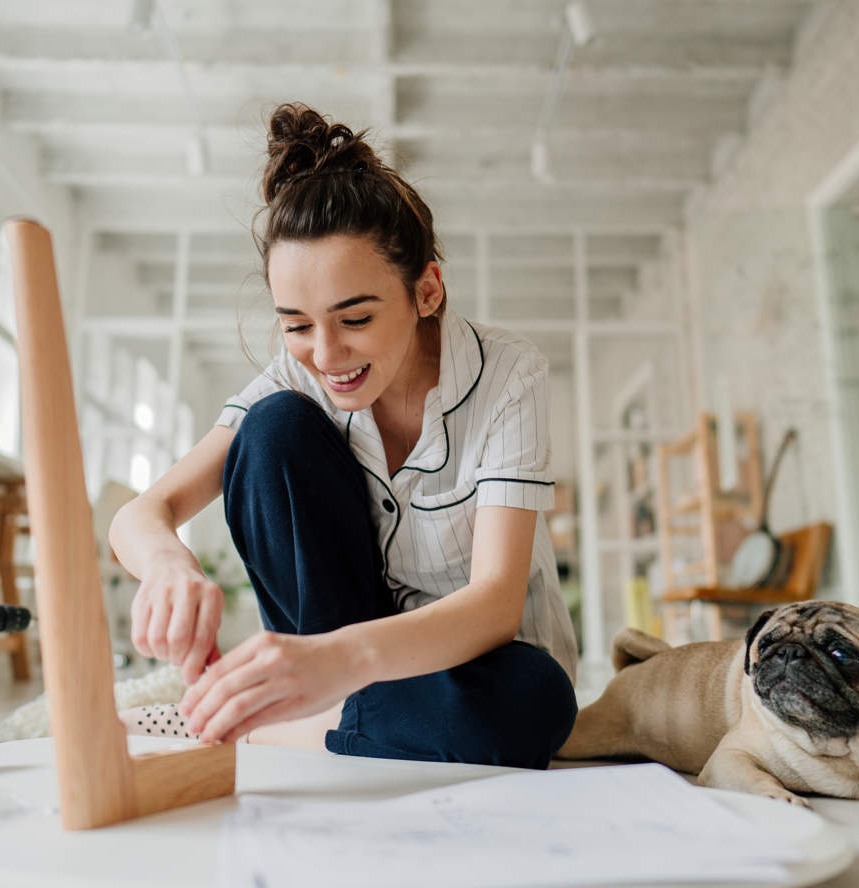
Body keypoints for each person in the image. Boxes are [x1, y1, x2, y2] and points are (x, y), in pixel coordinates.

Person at [110, 103, 578, 769]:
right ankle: (316, 716)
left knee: (533, 703)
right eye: (297, 325)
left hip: (471, 663)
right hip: (339, 658)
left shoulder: (510, 374)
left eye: (354, 317)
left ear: (427, 291)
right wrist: (166, 565)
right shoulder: (294, 382)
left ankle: (260, 723)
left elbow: (495, 606)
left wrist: (339, 661)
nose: (326, 354)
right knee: (270, 431)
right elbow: (140, 514)